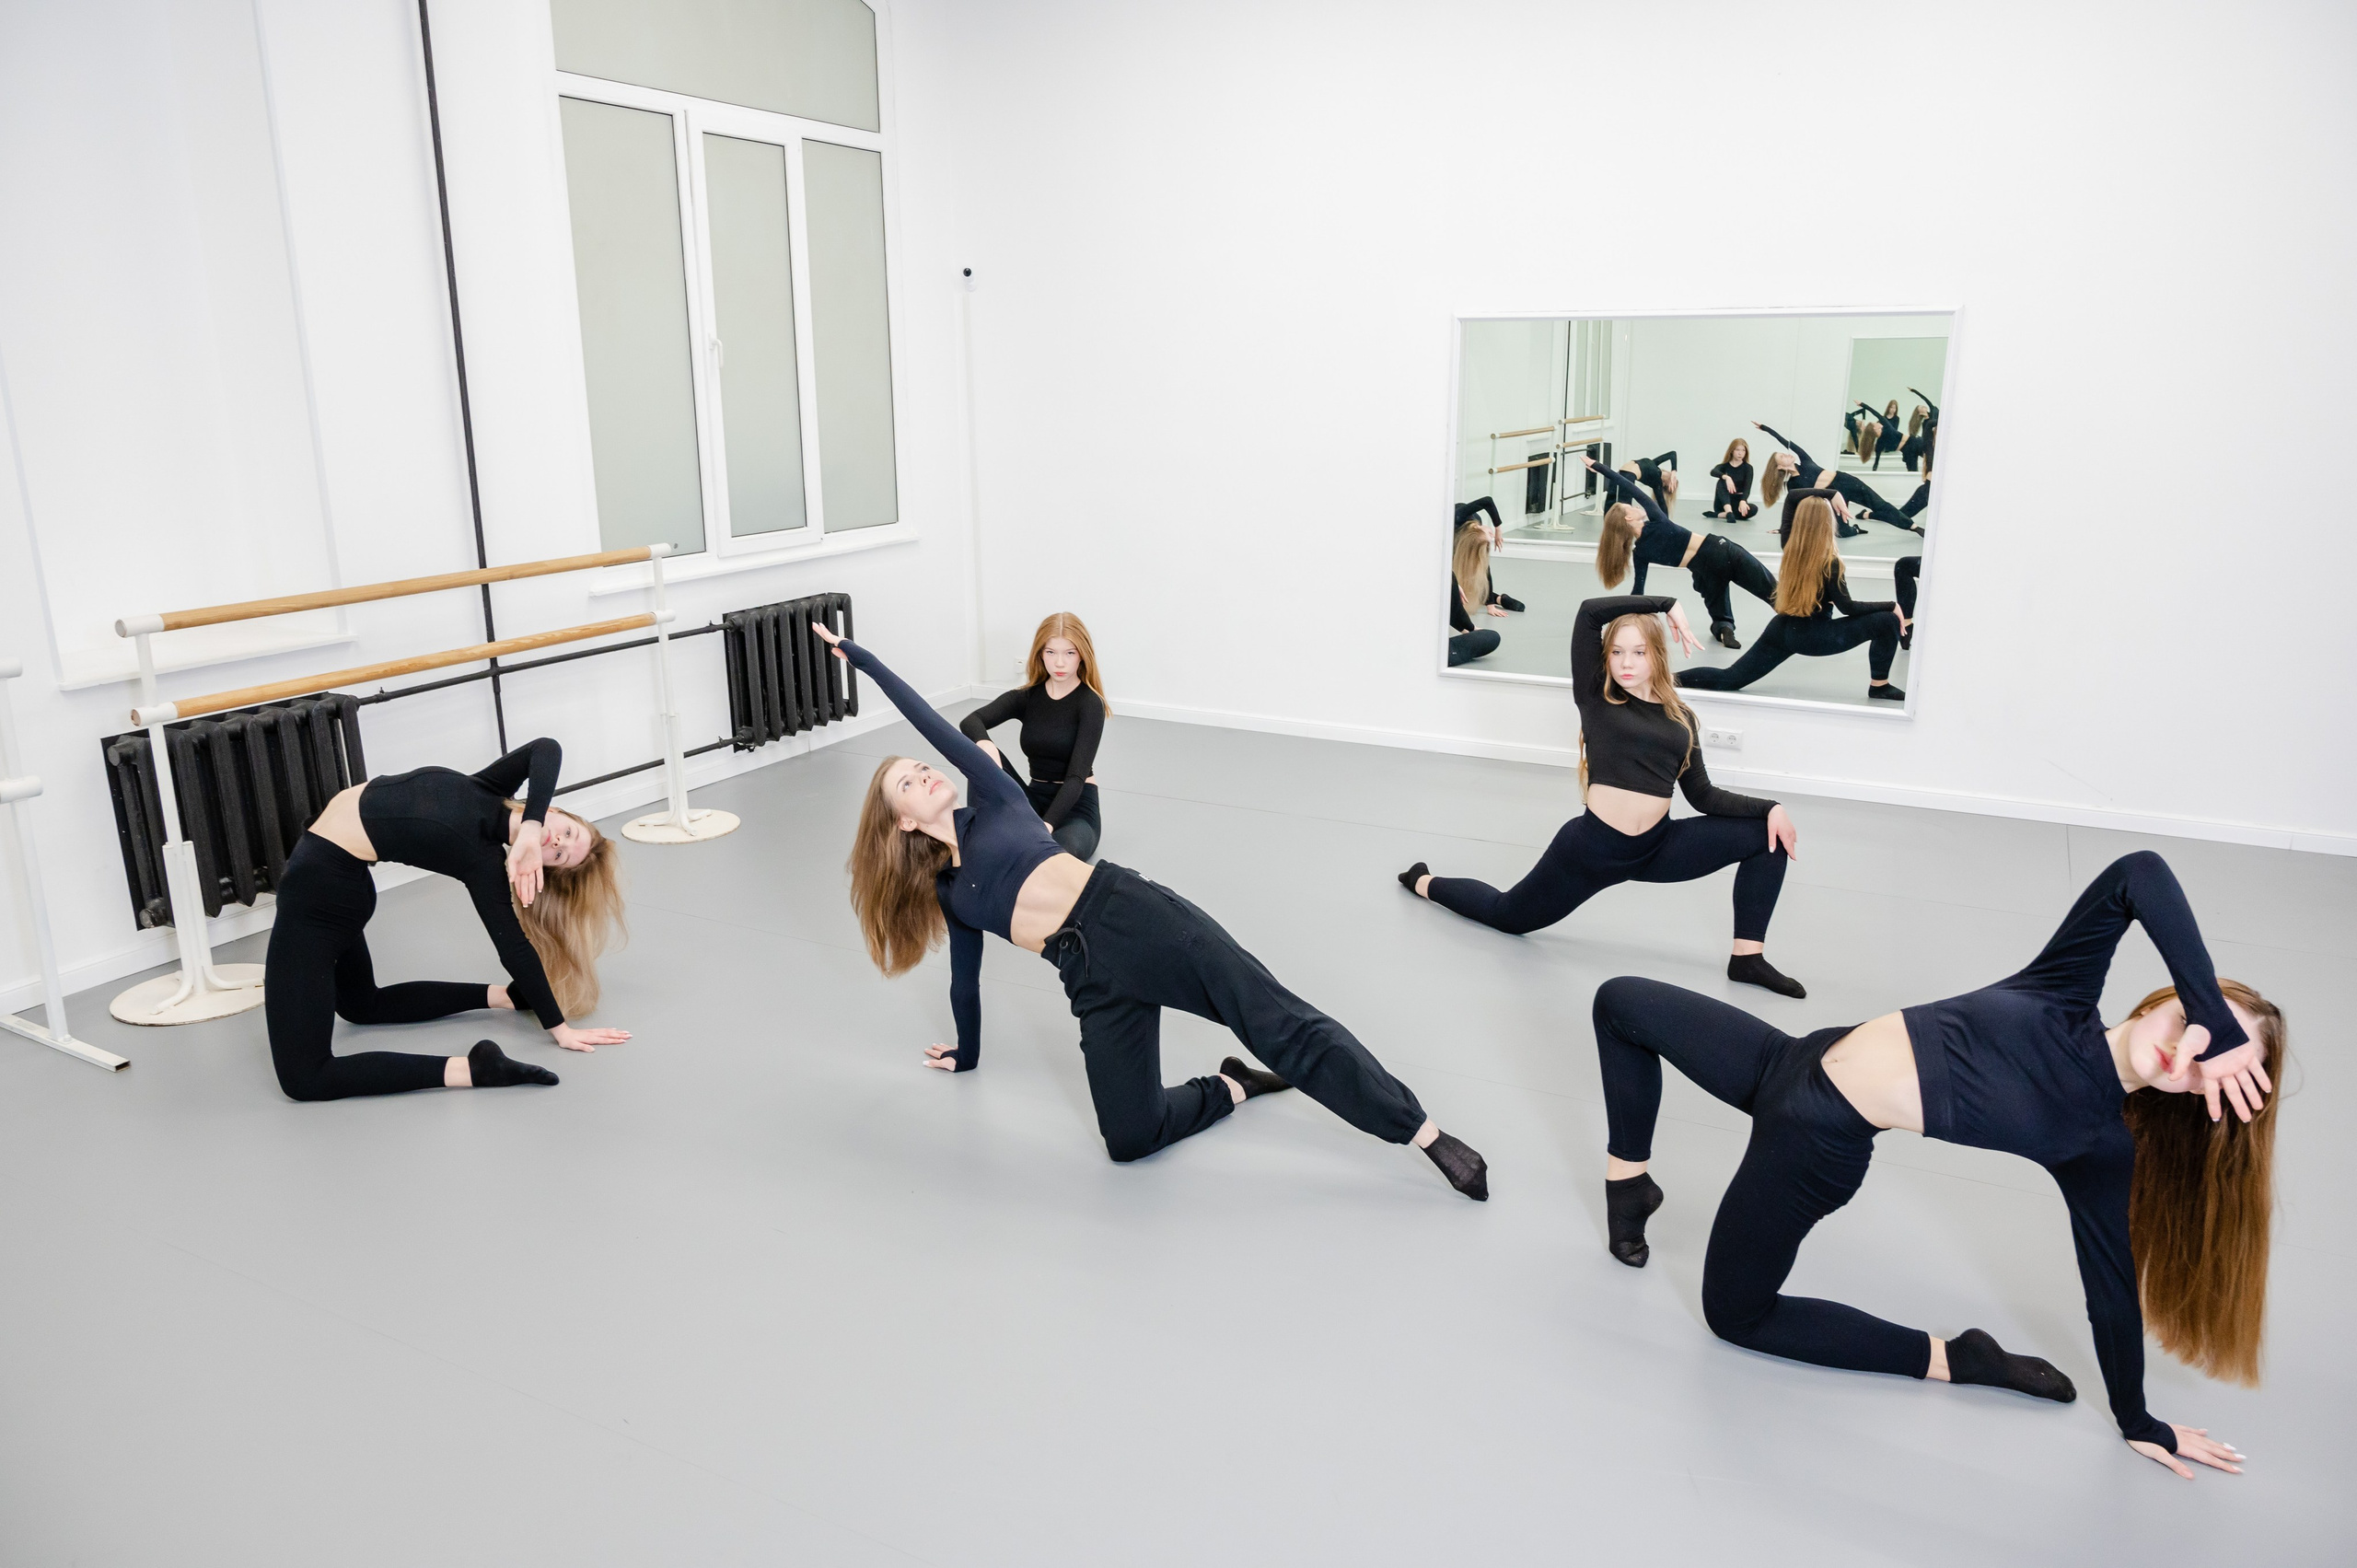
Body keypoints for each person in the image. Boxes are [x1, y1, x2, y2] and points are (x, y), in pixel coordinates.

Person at [1589, 851, 2281, 1479]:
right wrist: (2215, 1021)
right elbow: (2140, 872)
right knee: (1620, 1002)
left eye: (2211, 1069)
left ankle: (1953, 1358)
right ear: (2174, 997)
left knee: (1734, 1316)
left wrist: (2138, 1419)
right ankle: (1631, 1184)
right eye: (2194, 1025)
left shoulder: (2097, 1144)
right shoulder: (2063, 986)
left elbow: (2112, 1293)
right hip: (1787, 1059)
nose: (2187, 1055)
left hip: (1809, 1146)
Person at [818, 623, 1492, 1197]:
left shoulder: (992, 796)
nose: (926, 774)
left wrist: (866, 661)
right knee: (1129, 1138)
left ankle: (1424, 1133)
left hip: (1133, 916)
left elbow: (932, 723)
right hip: (1090, 980)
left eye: (921, 768)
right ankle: (1232, 1087)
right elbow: (964, 981)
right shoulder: (951, 892)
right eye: (908, 782)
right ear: (903, 820)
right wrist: (966, 1054)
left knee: (1277, 1022)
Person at [1399, 594, 1806, 998]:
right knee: (1507, 915)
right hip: (1591, 850)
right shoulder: (1596, 697)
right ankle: (1424, 881)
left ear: (1657, 655)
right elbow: (1589, 612)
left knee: (1767, 836)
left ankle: (1747, 959)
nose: (1626, 663)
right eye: (1616, 652)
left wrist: (1770, 808)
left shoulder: (1681, 718)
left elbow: (1703, 795)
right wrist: (1664, 604)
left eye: (1638, 652)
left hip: (1656, 847)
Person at [262, 738, 629, 1101]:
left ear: (541, 868)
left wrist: (560, 1029)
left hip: (320, 899)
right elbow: (546, 748)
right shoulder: (489, 787)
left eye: (560, 856)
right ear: (557, 811)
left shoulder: (482, 861)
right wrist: (531, 826)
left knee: (305, 1078)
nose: (557, 842)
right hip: (339, 882)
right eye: (568, 832)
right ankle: (508, 997)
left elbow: (514, 948)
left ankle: (474, 1069)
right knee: (360, 1005)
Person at [1677, 494, 1908, 702]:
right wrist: (1892, 605)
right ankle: (1880, 686)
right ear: (1828, 523)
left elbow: (1792, 498)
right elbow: (1847, 607)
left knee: (1730, 678)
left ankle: (1668, 678)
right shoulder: (1830, 562)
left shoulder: (1790, 546)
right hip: (1813, 636)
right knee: (1886, 620)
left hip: (1782, 628)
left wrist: (1829, 495)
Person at [1586, 457, 1777, 652]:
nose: (1636, 506)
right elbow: (1630, 487)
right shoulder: (1658, 520)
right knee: (1773, 591)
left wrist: (1623, 622)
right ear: (1628, 518)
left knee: (1718, 605)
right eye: (1631, 507)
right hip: (1722, 551)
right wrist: (1598, 466)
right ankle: (1792, 616)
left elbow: (1638, 593)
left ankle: (1724, 629)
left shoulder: (1640, 552)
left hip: (1704, 572)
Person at [960, 612, 1109, 861]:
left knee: (1053, 856)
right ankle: (976, 839)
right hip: (1032, 799)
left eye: (1069, 653)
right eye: (1051, 652)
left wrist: (1045, 826)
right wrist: (986, 745)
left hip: (1075, 808)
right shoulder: (1028, 697)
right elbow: (971, 721)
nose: (1059, 663)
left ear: (1082, 655)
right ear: (1040, 654)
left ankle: (1014, 843)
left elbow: (1076, 778)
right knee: (978, 756)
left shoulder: (1090, 703)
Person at [1755, 421, 1921, 539]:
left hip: (1846, 482)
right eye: (1782, 457)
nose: (1786, 455)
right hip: (1833, 496)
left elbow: (1788, 443)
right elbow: (1794, 508)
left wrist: (1767, 429)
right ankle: (1856, 529)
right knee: (1841, 533)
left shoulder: (1804, 461)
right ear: (1779, 467)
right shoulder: (1793, 484)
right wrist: (1783, 529)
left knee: (1880, 505)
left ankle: (1912, 526)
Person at [1447, 521, 1515, 667]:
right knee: (1491, 637)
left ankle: (1497, 598)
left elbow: (1485, 573)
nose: (1492, 535)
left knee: (1490, 637)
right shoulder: (1450, 540)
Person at [1703, 438, 1757, 521]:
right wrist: (1726, 477)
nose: (1740, 453)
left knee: (1754, 509)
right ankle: (1728, 511)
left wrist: (1743, 501)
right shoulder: (1725, 466)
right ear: (1732, 451)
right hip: (1723, 502)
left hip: (1737, 502)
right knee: (1721, 481)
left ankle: (1722, 515)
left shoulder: (1748, 468)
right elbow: (1713, 472)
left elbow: (1747, 487)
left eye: (1743, 450)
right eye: (1737, 450)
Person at [1630, 451, 1678, 516]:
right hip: (1625, 471)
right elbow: (1672, 454)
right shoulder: (1654, 466)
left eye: (1673, 482)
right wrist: (1674, 471)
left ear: (1664, 484)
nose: (1673, 478)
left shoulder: (1657, 483)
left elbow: (1663, 507)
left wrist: (1666, 521)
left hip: (1627, 476)